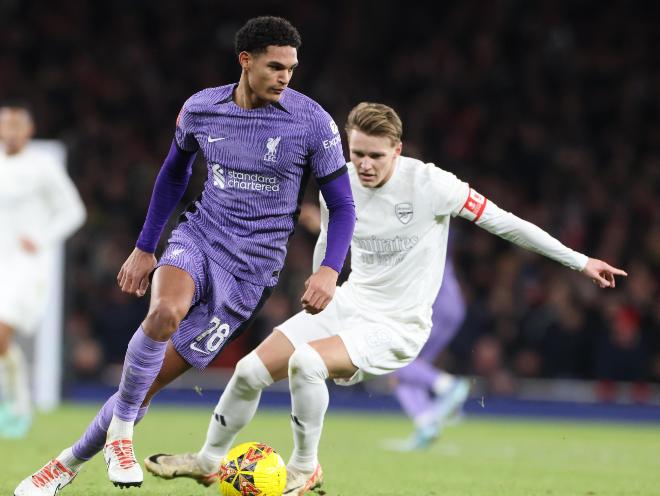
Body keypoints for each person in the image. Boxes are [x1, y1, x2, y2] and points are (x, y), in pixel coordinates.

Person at [144, 102, 627, 496]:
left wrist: (579, 261)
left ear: (398, 149)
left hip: (398, 324)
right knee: (249, 369)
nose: (365, 165)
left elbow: (506, 222)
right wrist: (319, 281)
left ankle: (305, 468)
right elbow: (329, 239)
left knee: (306, 364)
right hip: (350, 302)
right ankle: (208, 462)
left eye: (376, 155)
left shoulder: (432, 184)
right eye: (357, 154)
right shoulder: (343, 180)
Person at [13, 16, 355, 496]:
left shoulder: (312, 122)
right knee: (164, 312)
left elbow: (341, 204)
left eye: (292, 69)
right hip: (198, 237)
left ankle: (65, 464)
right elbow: (173, 176)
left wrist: (328, 268)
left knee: (141, 389)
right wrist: (144, 247)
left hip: (250, 274)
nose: (285, 77)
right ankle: (122, 439)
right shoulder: (200, 109)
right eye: (275, 66)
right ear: (246, 60)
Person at [0, 102, 86, 439]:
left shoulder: (43, 167)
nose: (12, 132)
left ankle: (19, 406)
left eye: (19, 126)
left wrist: (43, 238)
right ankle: (7, 397)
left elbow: (74, 211)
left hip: (27, 265)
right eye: (6, 126)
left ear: (28, 131)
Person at [390, 253, 469, 450]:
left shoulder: (407, 232)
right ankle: (426, 425)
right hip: (448, 303)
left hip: (436, 304)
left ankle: (448, 386)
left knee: (397, 360)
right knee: (404, 369)